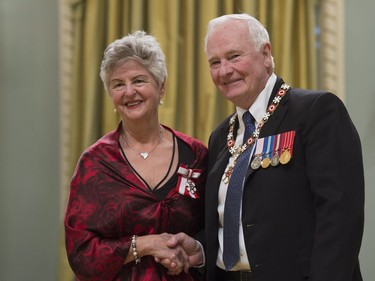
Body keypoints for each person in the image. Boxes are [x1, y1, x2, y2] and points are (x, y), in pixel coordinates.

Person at [165, 13, 365, 281]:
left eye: (234, 56)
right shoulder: (220, 135)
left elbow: (340, 218)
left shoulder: (315, 112)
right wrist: (202, 250)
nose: (224, 71)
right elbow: (235, 222)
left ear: (266, 54)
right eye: (215, 62)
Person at [64, 30, 207, 281]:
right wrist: (145, 245)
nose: (129, 92)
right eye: (118, 84)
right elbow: (80, 253)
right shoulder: (94, 163)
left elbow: (217, 232)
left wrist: (193, 251)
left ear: (161, 88)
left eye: (139, 80)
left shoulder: (195, 155)